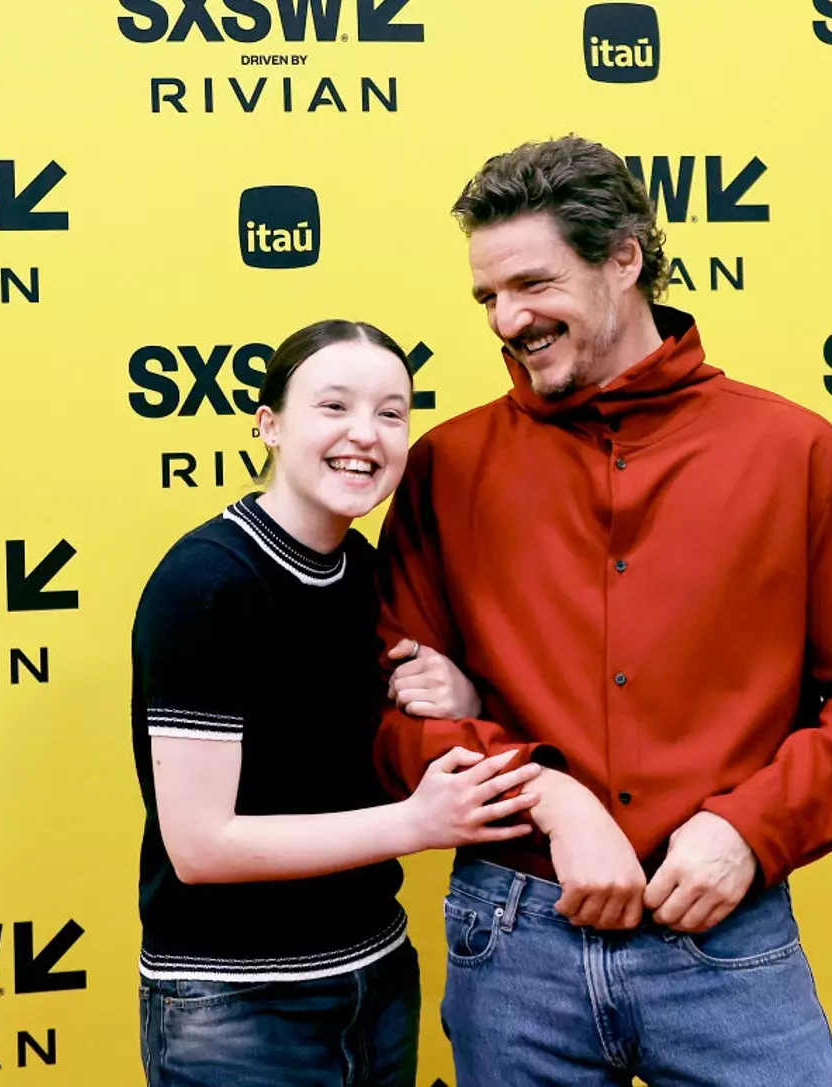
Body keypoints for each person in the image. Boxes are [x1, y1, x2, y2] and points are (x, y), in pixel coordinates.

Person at [374, 136, 832, 1086]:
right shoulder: (445, 466)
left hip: (723, 927)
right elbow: (394, 716)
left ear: (623, 259)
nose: (507, 320)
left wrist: (749, 831)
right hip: (513, 939)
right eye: (487, 298)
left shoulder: (797, 453)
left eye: (531, 285)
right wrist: (548, 795)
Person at [129, 319, 538, 1087]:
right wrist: (417, 823)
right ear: (269, 425)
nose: (366, 434)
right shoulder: (208, 584)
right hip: (239, 1005)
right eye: (333, 406)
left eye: (391, 413)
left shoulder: (367, 573)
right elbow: (201, 845)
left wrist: (464, 692)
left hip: (377, 979)